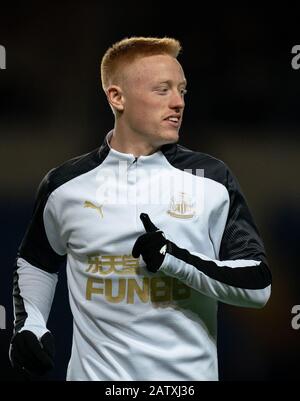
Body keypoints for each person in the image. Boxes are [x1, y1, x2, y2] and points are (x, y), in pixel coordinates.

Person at [9, 37, 272, 381]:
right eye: (163, 90)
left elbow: (258, 286)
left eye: (182, 90)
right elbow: (36, 263)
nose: (178, 102)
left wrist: (175, 260)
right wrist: (30, 323)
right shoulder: (64, 185)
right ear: (116, 97)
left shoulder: (213, 180)